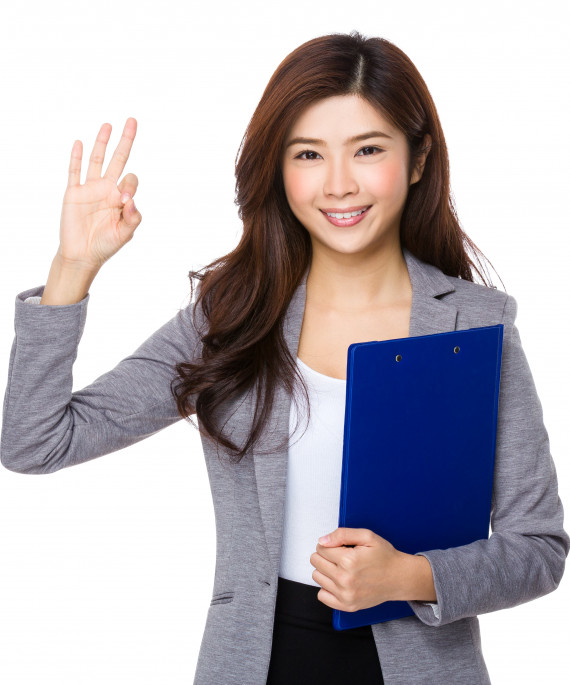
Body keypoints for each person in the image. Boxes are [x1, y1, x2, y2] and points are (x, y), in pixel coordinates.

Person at [1, 30, 568, 685]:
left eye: (368, 150)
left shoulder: (476, 323)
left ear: (416, 161)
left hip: (420, 666)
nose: (338, 184)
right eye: (308, 154)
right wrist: (73, 266)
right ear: (279, 168)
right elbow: (34, 441)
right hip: (256, 663)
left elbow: (539, 545)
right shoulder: (232, 316)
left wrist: (410, 575)